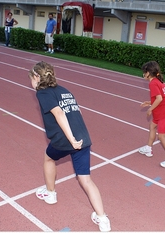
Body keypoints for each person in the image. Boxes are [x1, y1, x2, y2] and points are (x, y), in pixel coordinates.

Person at [28, 61, 111, 232]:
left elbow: (58, 113)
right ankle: (103, 219)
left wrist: (72, 139)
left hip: (66, 140)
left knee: (48, 158)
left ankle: (51, 194)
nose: (31, 83)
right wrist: (79, 137)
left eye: (31, 78)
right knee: (86, 179)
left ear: (37, 77)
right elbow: (78, 112)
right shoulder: (65, 90)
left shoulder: (42, 93)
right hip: (84, 139)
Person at [138, 61, 165, 168]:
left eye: (144, 72)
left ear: (148, 73)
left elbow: (159, 98)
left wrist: (150, 109)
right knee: (152, 126)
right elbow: (161, 98)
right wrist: (149, 102)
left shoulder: (153, 83)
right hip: (164, 108)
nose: (143, 74)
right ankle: (148, 148)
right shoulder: (157, 81)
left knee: (161, 136)